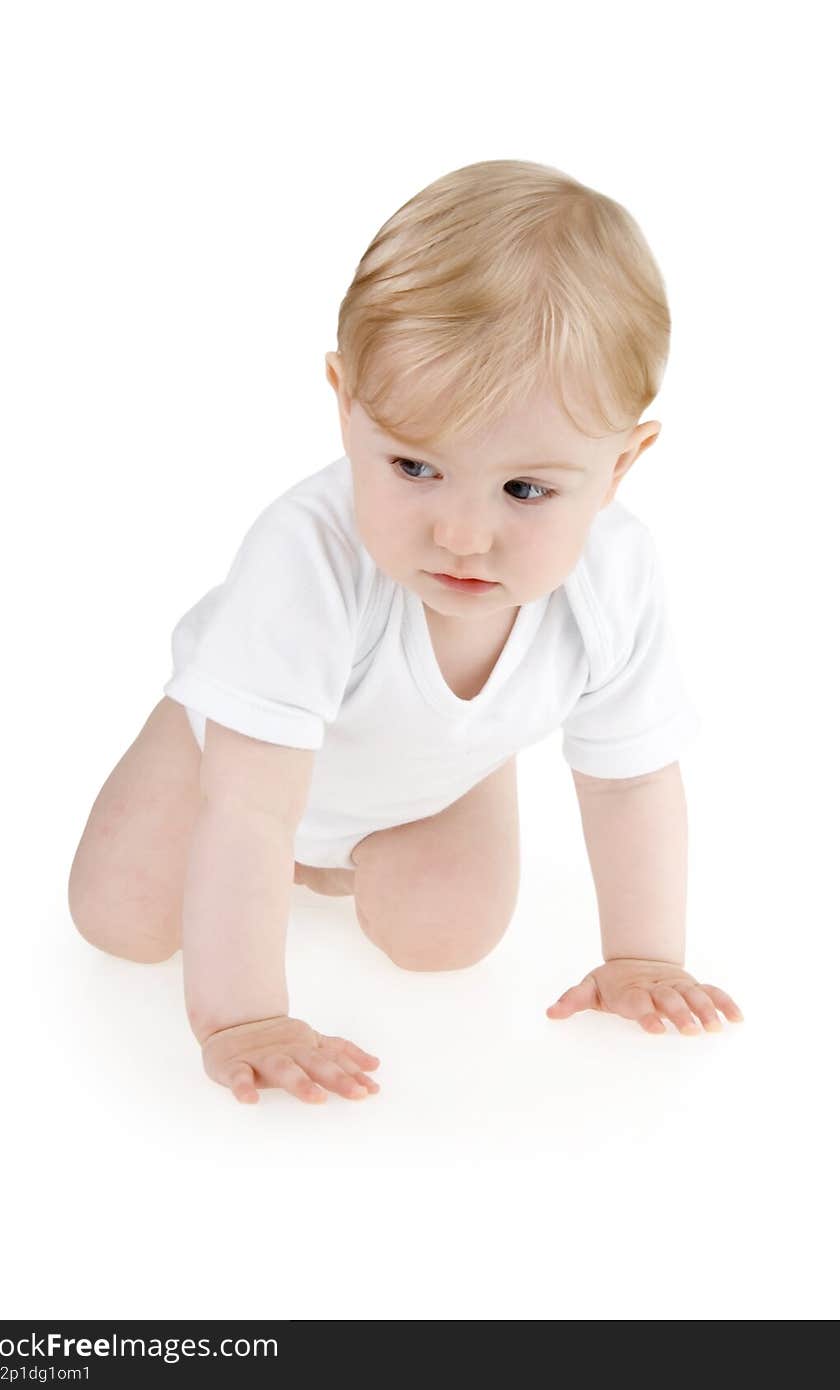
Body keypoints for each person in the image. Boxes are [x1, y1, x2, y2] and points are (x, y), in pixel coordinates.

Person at [67, 159, 743, 1106]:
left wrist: (642, 955)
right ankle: (272, 852)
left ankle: (382, 827)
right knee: (120, 923)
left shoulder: (615, 576)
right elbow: (251, 809)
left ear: (623, 462)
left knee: (445, 942)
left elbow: (631, 781)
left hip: (428, 781)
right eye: (414, 466)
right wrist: (246, 1016)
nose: (462, 534)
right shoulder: (309, 556)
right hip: (231, 762)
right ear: (345, 408)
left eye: (526, 489)